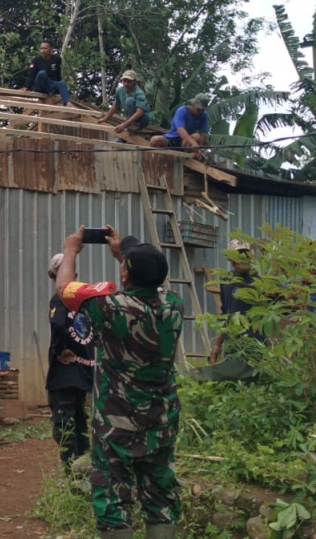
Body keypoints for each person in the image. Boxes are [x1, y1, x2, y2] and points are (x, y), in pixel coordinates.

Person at [54, 226, 183, 539]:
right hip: (161, 420)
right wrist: (123, 253)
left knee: (112, 499)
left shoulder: (108, 307)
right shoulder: (174, 305)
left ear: (125, 275)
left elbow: (65, 289)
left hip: (117, 422)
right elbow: (145, 278)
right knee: (159, 495)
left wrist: (70, 250)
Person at [45, 253, 94, 466]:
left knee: (65, 424)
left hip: (65, 374)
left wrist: (59, 350)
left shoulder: (59, 299)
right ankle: (84, 466)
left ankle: (70, 470)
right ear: (75, 274)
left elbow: (57, 324)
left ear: (51, 274)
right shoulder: (85, 302)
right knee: (81, 420)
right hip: (83, 371)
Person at [195, 239, 259, 382]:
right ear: (230, 258)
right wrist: (217, 344)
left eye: (244, 255)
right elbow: (227, 316)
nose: (241, 260)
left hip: (256, 346)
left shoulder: (260, 282)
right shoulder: (226, 281)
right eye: (237, 256)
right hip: (233, 346)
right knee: (232, 384)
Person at [25, 41, 71, 105]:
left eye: (45, 48)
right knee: (42, 73)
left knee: (61, 83)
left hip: (50, 84)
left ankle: (67, 102)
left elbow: (57, 74)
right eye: (41, 48)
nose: (43, 50)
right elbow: (31, 74)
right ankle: (50, 92)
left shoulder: (56, 59)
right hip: (39, 86)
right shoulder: (36, 60)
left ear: (51, 49)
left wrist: (57, 90)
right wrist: (27, 87)